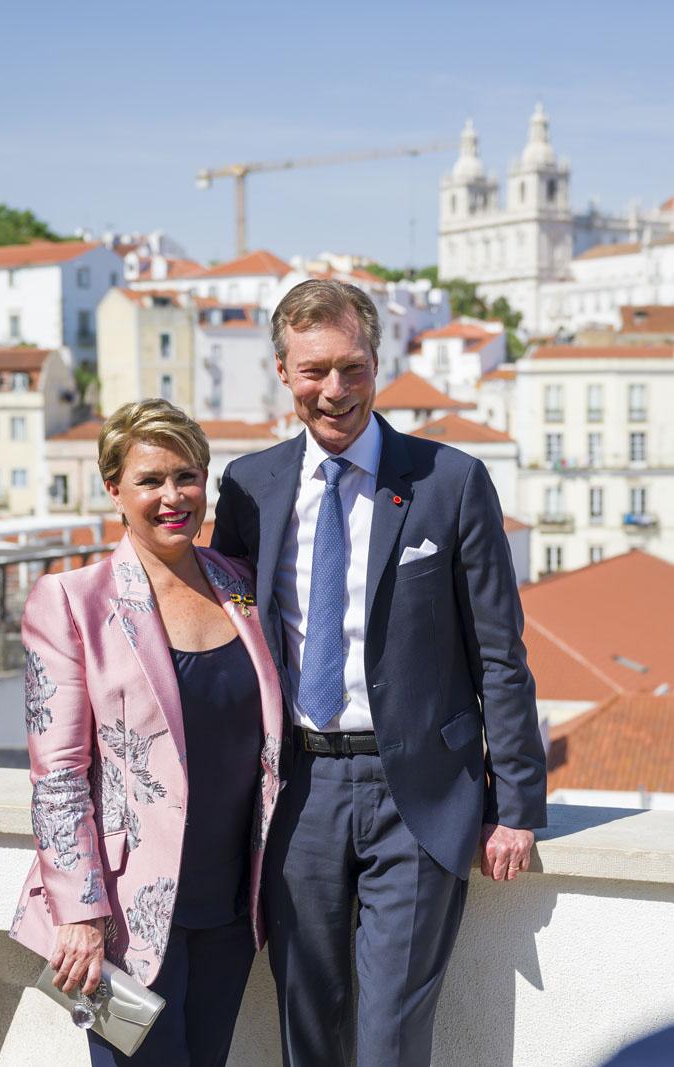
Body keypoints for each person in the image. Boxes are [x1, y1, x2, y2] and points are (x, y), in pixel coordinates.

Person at [212, 280, 548, 1067]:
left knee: (391, 1040)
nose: (336, 390)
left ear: (379, 361)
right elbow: (228, 651)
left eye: (354, 367)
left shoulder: (451, 480)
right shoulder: (248, 488)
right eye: (314, 370)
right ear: (282, 371)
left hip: (421, 797)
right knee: (310, 1033)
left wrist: (518, 804)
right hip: (298, 794)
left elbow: (500, 653)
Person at [10, 398, 283, 1066]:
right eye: (151, 480)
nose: (173, 496)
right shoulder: (73, 600)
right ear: (115, 490)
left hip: (231, 906)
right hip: (124, 920)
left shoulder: (239, 585)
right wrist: (79, 911)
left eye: (187, 476)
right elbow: (61, 777)